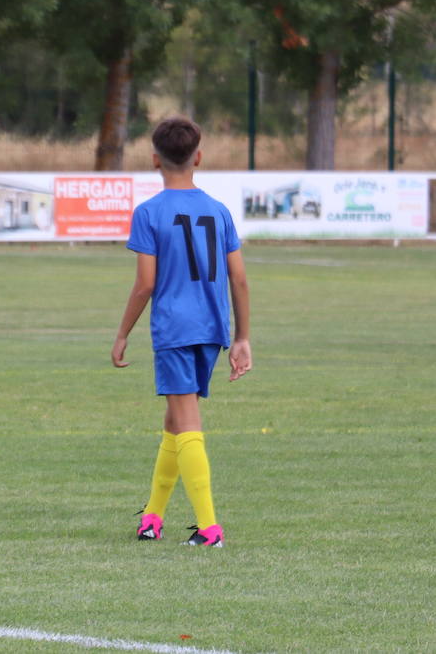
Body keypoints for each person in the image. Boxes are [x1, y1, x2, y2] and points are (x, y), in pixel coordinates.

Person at [111, 117, 252, 548]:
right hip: (211, 327)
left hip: (173, 329)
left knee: (186, 420)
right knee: (174, 421)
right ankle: (152, 517)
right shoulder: (218, 210)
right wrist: (242, 337)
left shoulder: (149, 213)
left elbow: (146, 284)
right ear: (199, 157)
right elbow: (239, 279)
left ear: (154, 159)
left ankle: (209, 528)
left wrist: (121, 334)